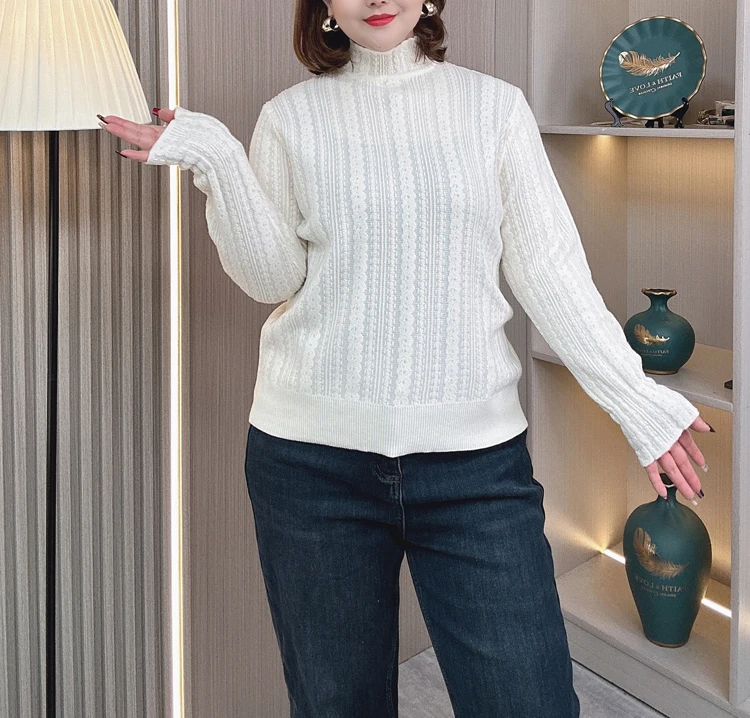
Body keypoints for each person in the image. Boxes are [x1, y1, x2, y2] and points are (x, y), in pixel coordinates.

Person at [99, 1, 712, 715]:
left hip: (474, 469)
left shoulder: (494, 109)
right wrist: (219, 161)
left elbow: (550, 273)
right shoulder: (290, 118)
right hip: (309, 465)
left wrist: (638, 403)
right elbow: (273, 280)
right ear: (325, 6)